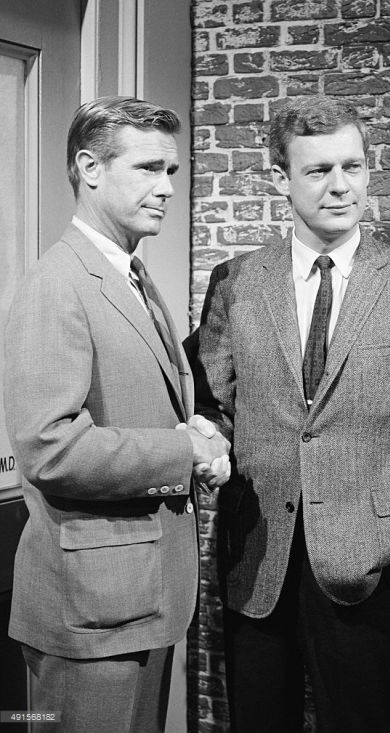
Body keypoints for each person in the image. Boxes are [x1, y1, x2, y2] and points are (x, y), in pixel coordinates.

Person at [191, 95, 390, 733]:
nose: (340, 185)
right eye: (319, 170)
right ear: (281, 179)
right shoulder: (236, 282)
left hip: (364, 564)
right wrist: (208, 442)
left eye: (352, 166)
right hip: (255, 558)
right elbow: (215, 405)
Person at [3, 96, 230, 733]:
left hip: (134, 599)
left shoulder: (131, 276)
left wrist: (197, 438)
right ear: (90, 168)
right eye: (148, 168)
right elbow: (51, 449)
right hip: (90, 611)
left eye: (171, 171)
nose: (167, 188)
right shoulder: (58, 285)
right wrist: (182, 451)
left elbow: (140, 407)